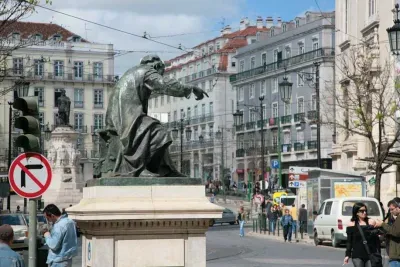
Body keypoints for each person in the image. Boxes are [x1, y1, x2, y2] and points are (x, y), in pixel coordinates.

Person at [97, 54, 208, 177]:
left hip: (118, 117)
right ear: (157, 66)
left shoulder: (131, 72)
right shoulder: (147, 71)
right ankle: (138, 169)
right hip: (127, 116)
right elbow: (164, 85)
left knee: (154, 132)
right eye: (161, 72)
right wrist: (191, 88)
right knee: (157, 132)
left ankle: (164, 168)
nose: (160, 75)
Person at [344, 202, 382, 267]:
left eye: (365, 210)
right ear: (356, 212)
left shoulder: (371, 222)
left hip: (370, 254)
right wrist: (347, 255)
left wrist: (378, 253)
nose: (364, 212)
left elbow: (376, 240)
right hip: (357, 255)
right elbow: (349, 242)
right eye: (362, 211)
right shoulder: (351, 224)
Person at [375, 198, 400, 267]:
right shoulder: (396, 218)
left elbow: (396, 232)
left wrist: (383, 224)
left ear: (398, 207)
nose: (391, 212)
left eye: (392, 209)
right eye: (390, 210)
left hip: (397, 257)